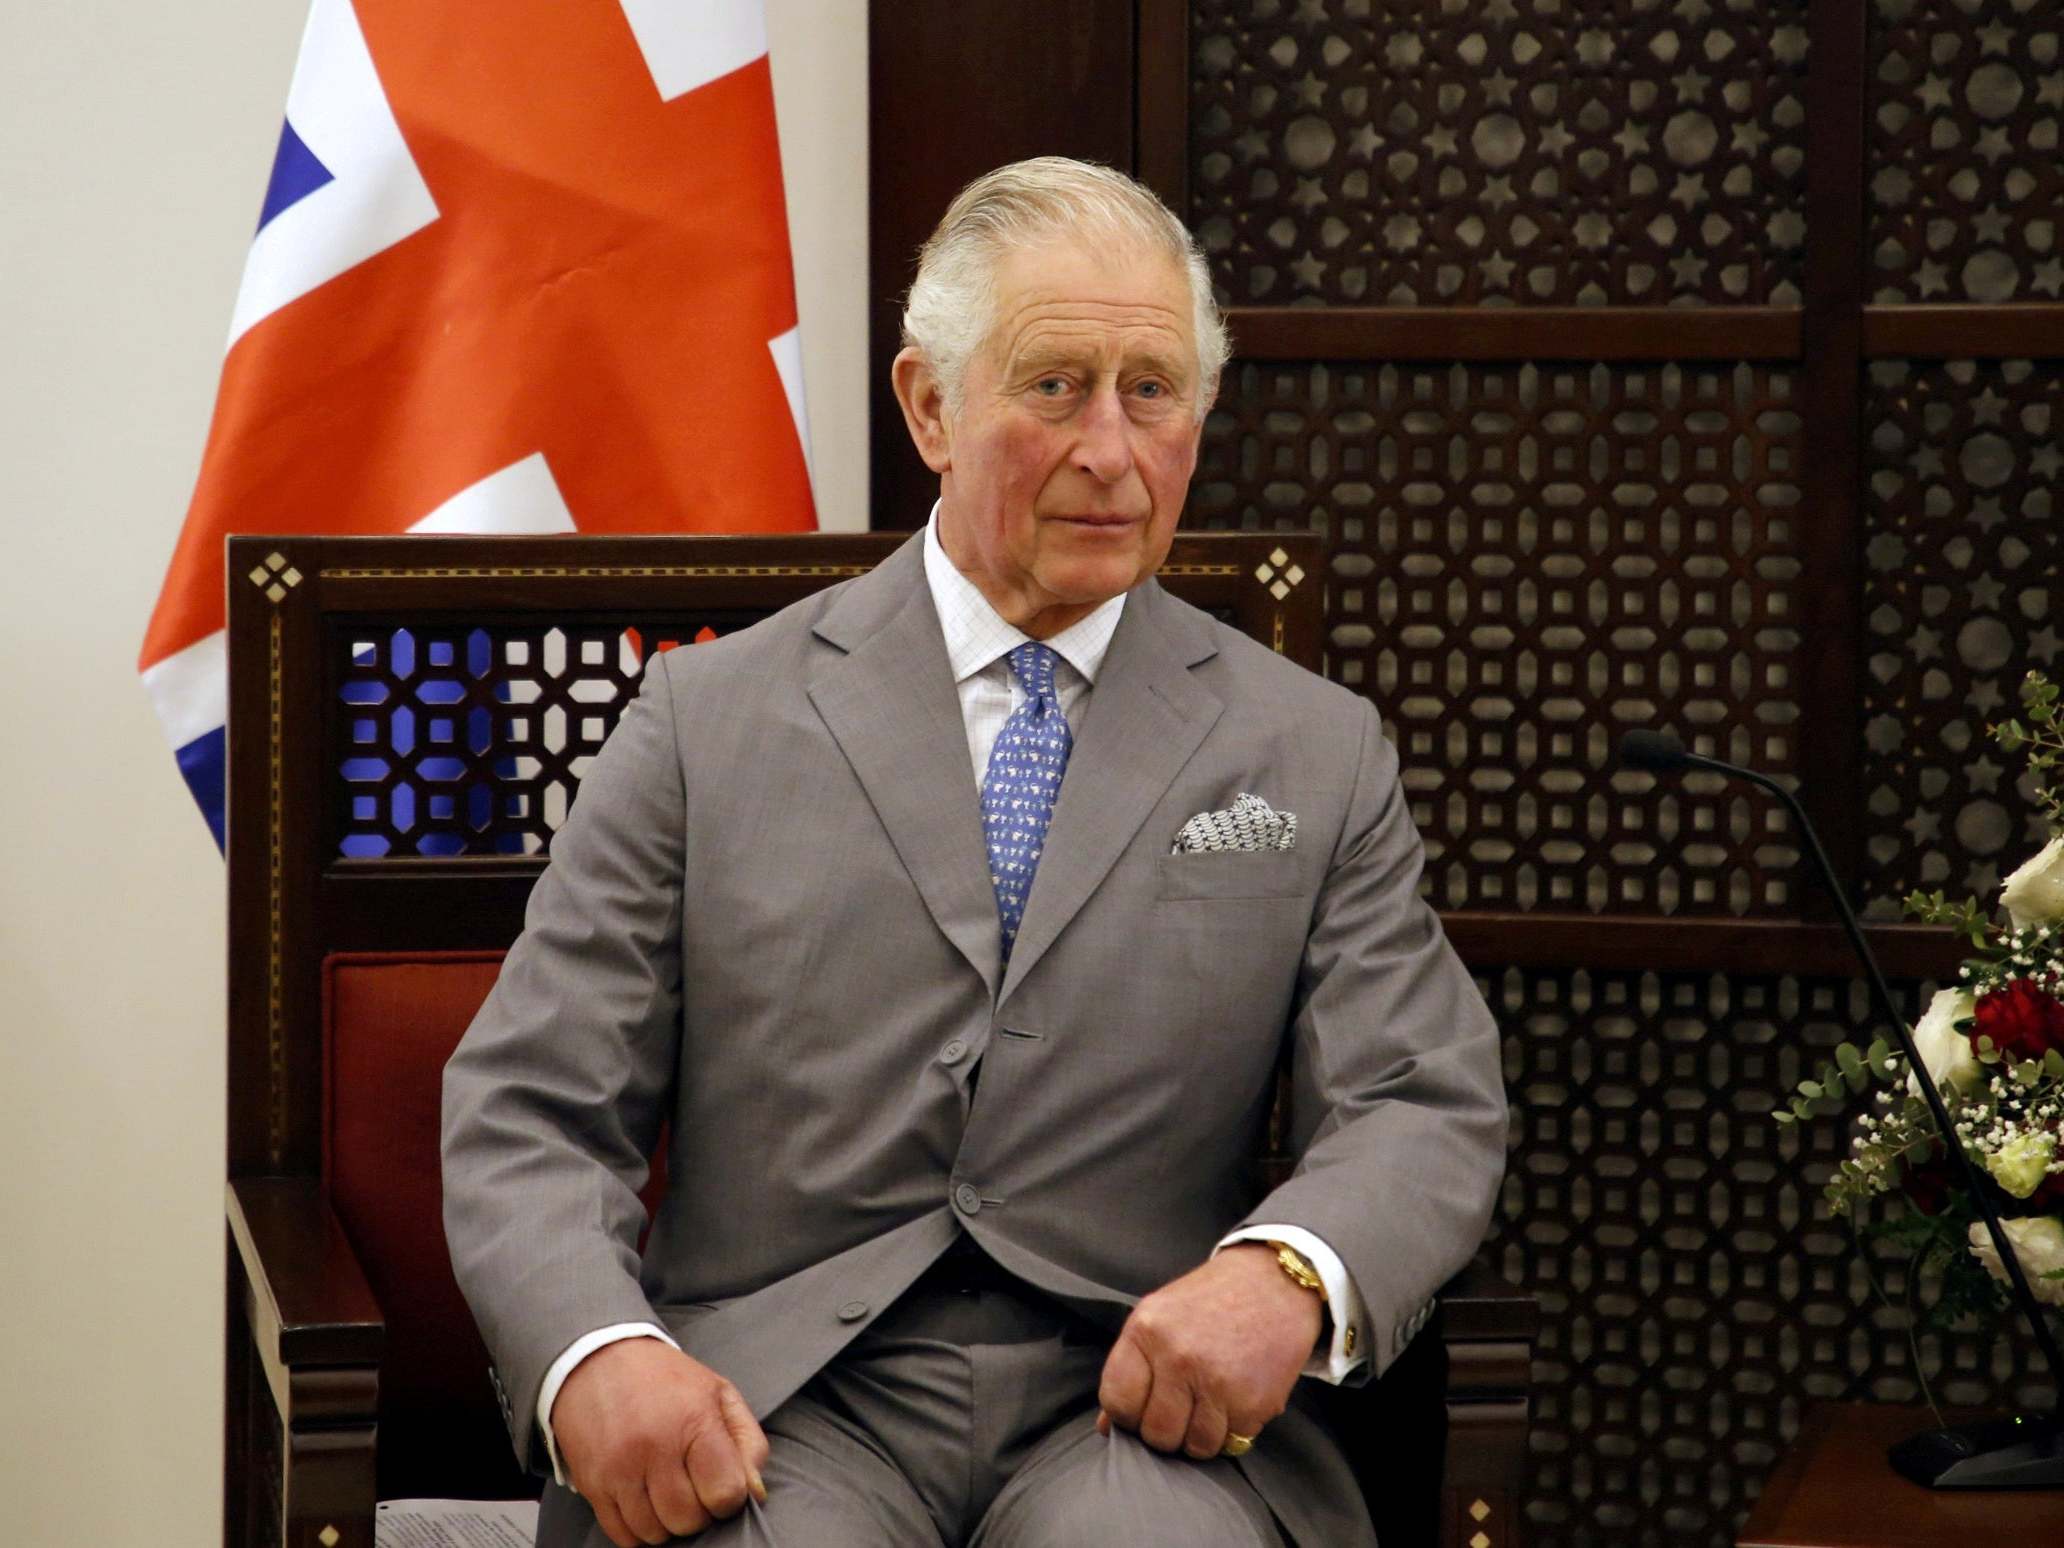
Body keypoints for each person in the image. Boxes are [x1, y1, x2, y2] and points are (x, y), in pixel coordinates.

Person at [442, 157, 1506, 1548]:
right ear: (931, 406)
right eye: (1055, 385)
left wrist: (1288, 1276)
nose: (1112, 450)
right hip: (782, 1403)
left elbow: (1419, 1099)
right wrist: (599, 1353)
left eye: (1154, 389)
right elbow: (533, 1104)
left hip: (1139, 1412)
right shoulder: (707, 721)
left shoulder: (1314, 749)